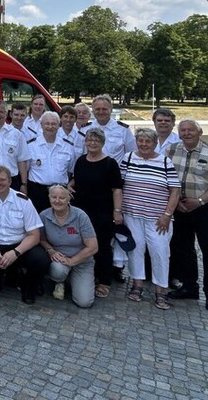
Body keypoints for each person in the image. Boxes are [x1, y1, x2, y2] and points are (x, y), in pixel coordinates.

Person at [167, 119, 208, 312]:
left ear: (199, 132)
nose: (187, 133)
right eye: (183, 130)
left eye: (190, 130)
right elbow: (166, 177)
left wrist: (200, 201)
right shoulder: (171, 150)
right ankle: (189, 287)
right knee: (183, 248)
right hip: (180, 207)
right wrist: (175, 202)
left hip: (206, 207)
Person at [121, 128, 180, 310]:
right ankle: (137, 284)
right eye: (141, 141)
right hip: (132, 214)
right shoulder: (128, 158)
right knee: (135, 249)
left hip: (158, 218)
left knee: (160, 251)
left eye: (148, 141)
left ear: (155, 143)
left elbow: (175, 190)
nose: (144, 144)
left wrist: (167, 215)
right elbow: (119, 185)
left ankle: (161, 290)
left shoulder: (164, 162)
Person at [0, 166, 49, 304]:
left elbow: (34, 235)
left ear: (10, 181)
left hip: (19, 245)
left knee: (41, 259)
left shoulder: (23, 201)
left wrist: (16, 252)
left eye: (3, 179)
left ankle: (29, 288)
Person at [70, 127, 123, 299]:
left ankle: (104, 280)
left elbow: (116, 189)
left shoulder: (110, 163)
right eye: (89, 140)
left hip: (103, 212)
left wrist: (117, 211)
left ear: (102, 143)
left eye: (96, 141)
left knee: (102, 247)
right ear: (85, 142)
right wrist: (70, 185)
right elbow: (76, 179)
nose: (92, 143)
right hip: (81, 211)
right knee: (82, 244)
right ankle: (87, 276)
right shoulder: (81, 160)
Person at [39, 185, 98, 308]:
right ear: (49, 198)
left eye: (62, 197)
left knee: (84, 302)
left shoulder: (80, 216)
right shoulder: (44, 215)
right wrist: (50, 250)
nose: (57, 201)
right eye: (53, 197)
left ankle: (71, 279)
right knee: (57, 271)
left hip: (81, 261)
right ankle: (59, 280)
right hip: (59, 260)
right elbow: (41, 239)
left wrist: (72, 261)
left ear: (68, 199)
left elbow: (93, 247)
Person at [25, 112, 75, 213]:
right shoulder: (31, 146)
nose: (50, 127)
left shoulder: (68, 146)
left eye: (54, 124)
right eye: (47, 123)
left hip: (60, 192)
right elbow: (25, 170)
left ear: (59, 125)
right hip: (37, 192)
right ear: (41, 125)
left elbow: (70, 171)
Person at [81, 95, 135, 163]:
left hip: (115, 172)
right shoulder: (84, 130)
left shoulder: (123, 130)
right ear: (93, 110)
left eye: (104, 109)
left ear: (111, 109)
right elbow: (80, 153)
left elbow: (132, 153)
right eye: (97, 109)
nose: (101, 112)